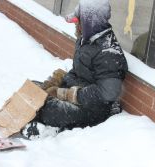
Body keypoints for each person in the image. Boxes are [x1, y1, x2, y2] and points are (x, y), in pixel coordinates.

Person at [20, 0, 128, 140]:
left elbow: (108, 93)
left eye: (79, 21)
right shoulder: (86, 40)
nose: (76, 24)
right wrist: (58, 81)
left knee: (45, 107)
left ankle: (49, 125)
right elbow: (78, 72)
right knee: (34, 90)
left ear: (90, 23)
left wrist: (66, 94)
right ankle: (44, 118)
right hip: (78, 94)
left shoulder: (109, 53)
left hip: (93, 108)